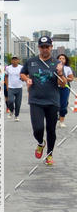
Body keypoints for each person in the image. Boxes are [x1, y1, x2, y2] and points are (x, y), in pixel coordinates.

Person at [20, 35, 68, 165]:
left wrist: (61, 73)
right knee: (38, 128)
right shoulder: (31, 61)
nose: (45, 49)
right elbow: (22, 73)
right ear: (39, 48)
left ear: (51, 47)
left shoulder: (57, 63)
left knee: (51, 130)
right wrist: (27, 79)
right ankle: (41, 143)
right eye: (42, 47)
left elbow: (62, 84)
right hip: (36, 100)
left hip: (52, 101)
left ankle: (49, 154)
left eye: (47, 47)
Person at [56, 52, 74, 127]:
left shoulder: (68, 68)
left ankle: (61, 121)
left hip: (65, 87)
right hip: (55, 87)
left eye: (63, 58)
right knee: (54, 104)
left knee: (63, 104)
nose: (61, 60)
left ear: (65, 60)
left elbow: (71, 78)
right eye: (60, 58)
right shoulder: (54, 67)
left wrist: (64, 79)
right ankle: (54, 118)